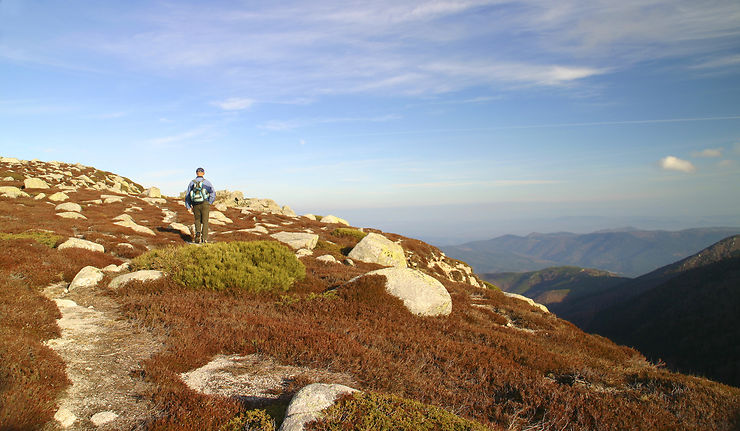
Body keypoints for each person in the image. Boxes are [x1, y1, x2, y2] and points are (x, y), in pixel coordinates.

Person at [185, 167, 216, 243]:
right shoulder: (207, 182)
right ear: (203, 173)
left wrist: (188, 206)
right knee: (205, 221)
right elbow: (213, 193)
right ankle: (204, 238)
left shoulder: (192, 182)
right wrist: (209, 202)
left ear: (196, 173)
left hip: (195, 204)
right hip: (205, 203)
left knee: (197, 220)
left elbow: (188, 195)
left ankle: (197, 234)